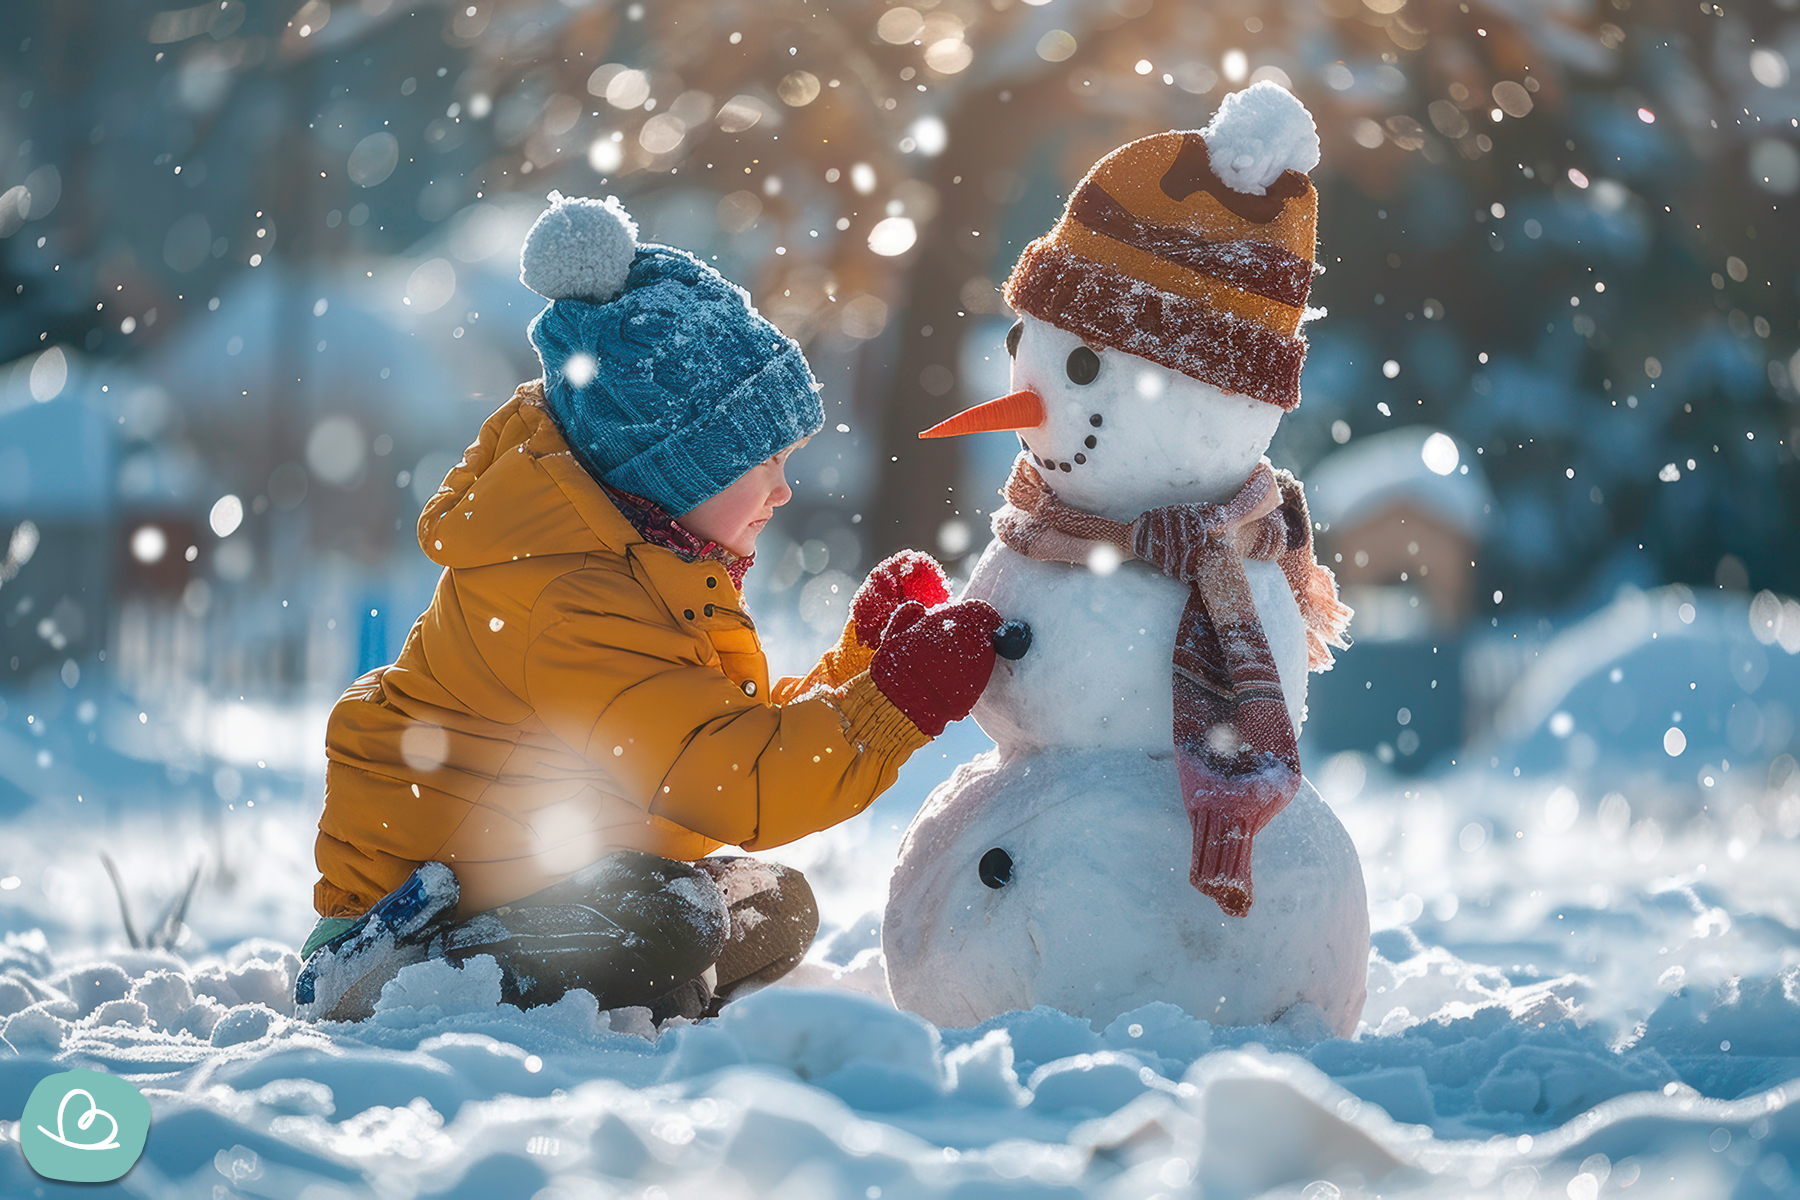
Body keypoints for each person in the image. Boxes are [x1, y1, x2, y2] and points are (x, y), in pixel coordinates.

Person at [294, 194, 1006, 1022]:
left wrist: (860, 665)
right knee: (669, 918)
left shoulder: (649, 557)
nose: (784, 490)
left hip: (533, 871)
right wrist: (894, 705)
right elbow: (730, 778)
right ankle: (405, 981)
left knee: (772, 906)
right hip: (413, 907)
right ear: (672, 471)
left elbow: (709, 730)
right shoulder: (570, 595)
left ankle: (636, 984)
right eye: (765, 462)